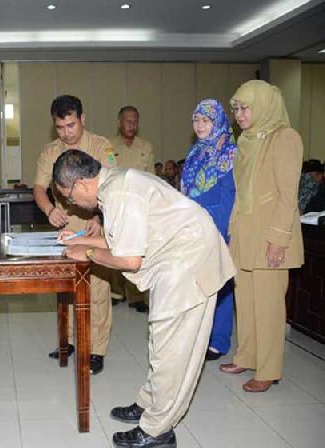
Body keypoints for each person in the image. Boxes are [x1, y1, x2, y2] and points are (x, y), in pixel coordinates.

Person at [54, 149, 235, 448]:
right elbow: (121, 238)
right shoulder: (115, 184)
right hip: (178, 255)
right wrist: (80, 240)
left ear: (81, 184)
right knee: (160, 341)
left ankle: (157, 431)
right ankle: (150, 405)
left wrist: (86, 253)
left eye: (70, 198)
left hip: (188, 261)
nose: (74, 205)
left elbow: (128, 259)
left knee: (172, 350)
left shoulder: (120, 194)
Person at [221, 80, 304, 393]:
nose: (239, 115)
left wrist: (279, 239)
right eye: (237, 109)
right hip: (245, 233)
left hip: (272, 235)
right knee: (246, 300)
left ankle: (269, 369)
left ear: (264, 105)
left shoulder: (285, 138)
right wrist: (232, 235)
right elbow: (241, 196)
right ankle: (247, 354)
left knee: (269, 305)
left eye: (245, 108)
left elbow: (288, 196)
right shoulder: (246, 141)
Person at [33, 94, 114, 375]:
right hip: (66, 227)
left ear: (82, 119)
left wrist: (98, 216)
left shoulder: (101, 146)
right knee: (66, 289)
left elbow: (110, 186)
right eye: (60, 127)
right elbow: (39, 189)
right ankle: (67, 342)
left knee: (97, 290)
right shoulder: (49, 151)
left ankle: (96, 350)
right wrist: (48, 210)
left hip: (95, 225)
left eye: (71, 125)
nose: (66, 133)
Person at [181, 99, 237, 361]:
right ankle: (199, 335)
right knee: (197, 284)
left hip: (217, 224)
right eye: (196, 120)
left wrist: (219, 230)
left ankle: (219, 340)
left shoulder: (230, 152)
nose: (200, 125)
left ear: (218, 122)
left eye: (206, 120)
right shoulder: (195, 152)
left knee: (220, 283)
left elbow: (229, 196)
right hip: (193, 225)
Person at [109, 105, 155, 313]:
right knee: (115, 248)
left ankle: (137, 296)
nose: (132, 125)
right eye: (128, 121)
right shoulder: (109, 147)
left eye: (135, 121)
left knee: (138, 250)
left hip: (139, 207)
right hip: (116, 206)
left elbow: (152, 178)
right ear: (119, 123)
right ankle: (116, 292)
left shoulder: (146, 146)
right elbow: (107, 175)